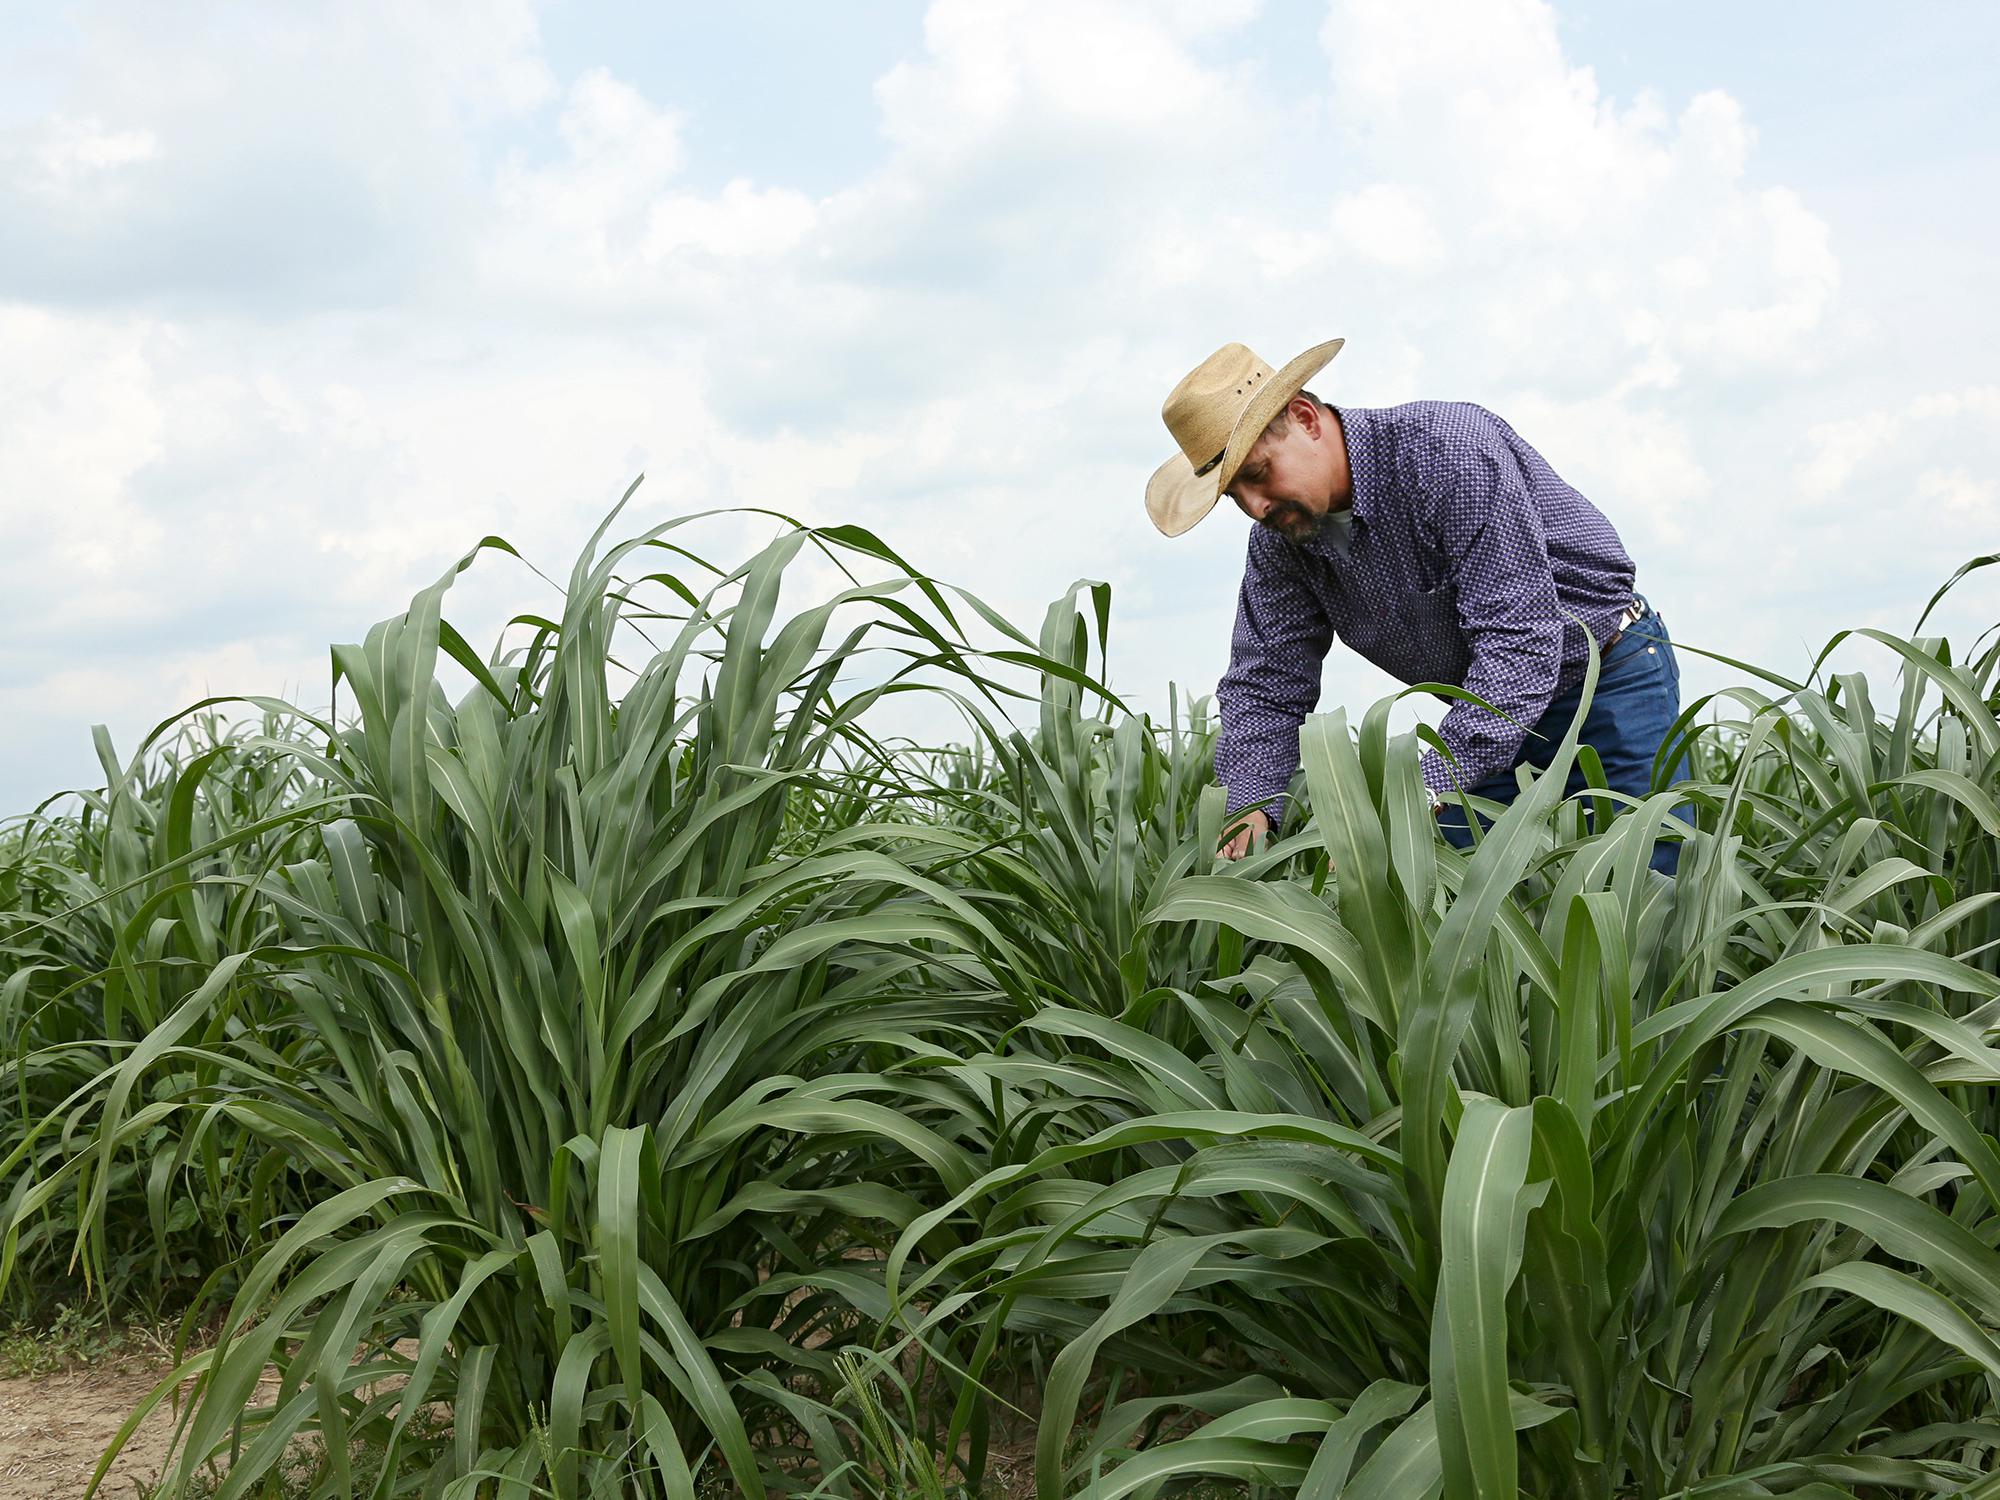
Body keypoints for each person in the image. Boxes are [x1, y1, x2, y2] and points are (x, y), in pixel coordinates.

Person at [1145, 338, 1689, 874]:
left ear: (1307, 419)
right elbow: (1265, 681)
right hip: (1489, 711)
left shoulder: (1446, 453)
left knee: (1646, 893)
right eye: (1234, 495)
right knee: (1448, 900)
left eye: (1258, 475)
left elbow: (1519, 643)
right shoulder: (1282, 539)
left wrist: (1416, 796)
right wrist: (1251, 805)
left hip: (1608, 681)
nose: (1255, 505)